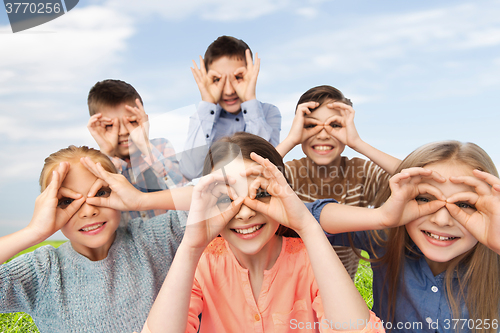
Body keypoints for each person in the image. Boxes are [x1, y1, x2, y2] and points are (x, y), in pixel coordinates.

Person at [141, 133, 384, 333]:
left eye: (260, 193)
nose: (245, 213)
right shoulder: (202, 265)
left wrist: (308, 227)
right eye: (227, 197)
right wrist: (190, 247)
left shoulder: (309, 261)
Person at [307, 141, 500, 333]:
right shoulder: (387, 237)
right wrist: (380, 217)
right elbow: (300, 218)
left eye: (464, 204)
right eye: (424, 198)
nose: (442, 220)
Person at [0, 146, 187, 333]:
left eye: (100, 193)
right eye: (66, 201)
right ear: (48, 208)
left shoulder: (153, 238)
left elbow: (216, 199)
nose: (89, 211)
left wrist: (141, 200)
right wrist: (33, 231)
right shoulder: (43, 271)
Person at [276, 85, 401, 279]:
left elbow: (420, 177)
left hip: (342, 288)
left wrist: (357, 143)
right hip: (292, 285)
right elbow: (245, 178)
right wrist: (291, 139)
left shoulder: (361, 172)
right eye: (310, 125)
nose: (323, 134)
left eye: (334, 125)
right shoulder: (289, 173)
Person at [179, 36, 282, 180]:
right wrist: (207, 102)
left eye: (238, 77)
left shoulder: (269, 112)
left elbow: (262, 168)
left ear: (251, 74)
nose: (228, 90)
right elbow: (191, 172)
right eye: (217, 80)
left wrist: (249, 99)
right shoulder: (202, 117)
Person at [87, 79, 186, 221]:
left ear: (143, 120)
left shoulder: (160, 147)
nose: (122, 131)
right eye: (110, 125)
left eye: (132, 122)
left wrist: (145, 146)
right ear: (96, 127)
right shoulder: (94, 165)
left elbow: (185, 191)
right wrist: (107, 154)